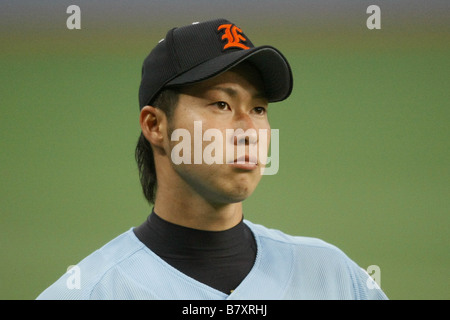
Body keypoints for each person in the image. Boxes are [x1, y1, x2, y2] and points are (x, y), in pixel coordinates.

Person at [37, 18, 388, 300]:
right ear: (155, 125)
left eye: (259, 108)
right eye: (222, 104)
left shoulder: (334, 278)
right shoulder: (91, 290)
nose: (249, 130)